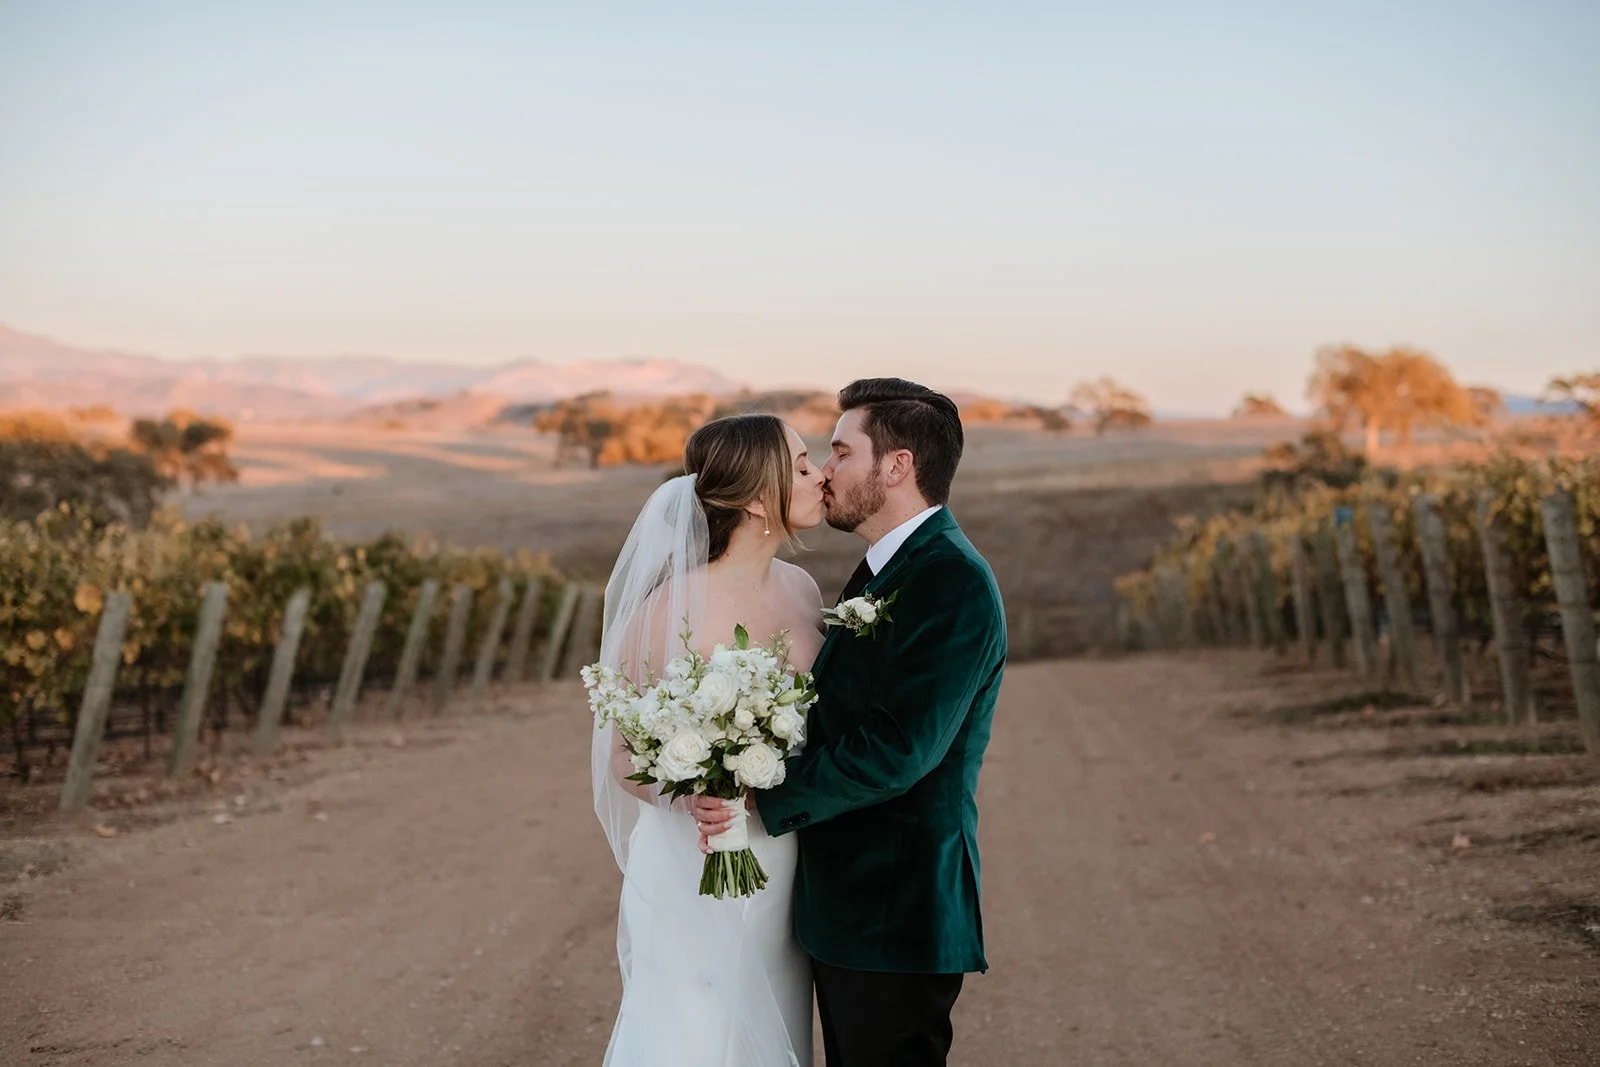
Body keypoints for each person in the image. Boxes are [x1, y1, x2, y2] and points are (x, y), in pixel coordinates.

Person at [693, 377, 1007, 1067]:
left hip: (896, 907)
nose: (824, 472)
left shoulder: (949, 579)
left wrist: (757, 790)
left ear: (897, 467)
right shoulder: (880, 573)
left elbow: (899, 748)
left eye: (839, 452)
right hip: (848, 908)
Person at [591, 413, 826, 1067]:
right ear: (757, 498)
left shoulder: (802, 589)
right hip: (696, 856)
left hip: (781, 854)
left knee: (774, 1017)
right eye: (802, 466)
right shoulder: (668, 610)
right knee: (694, 1027)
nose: (819, 475)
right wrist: (690, 798)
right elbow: (622, 754)